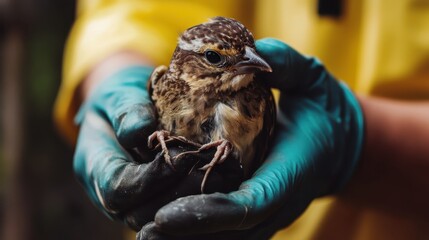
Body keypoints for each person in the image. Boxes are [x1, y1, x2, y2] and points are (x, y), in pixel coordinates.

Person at [54, 0, 429, 239]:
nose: (248, 65)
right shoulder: (162, 83)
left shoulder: (257, 98)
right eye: (216, 60)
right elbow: (133, 12)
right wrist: (110, 78)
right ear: (185, 65)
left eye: (247, 56)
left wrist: (358, 145)